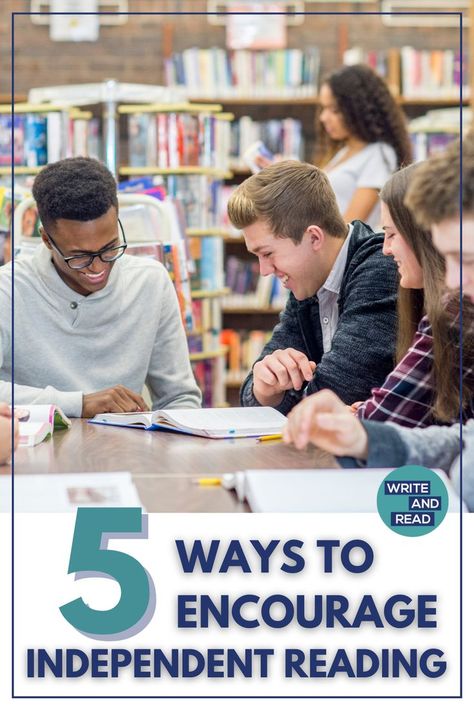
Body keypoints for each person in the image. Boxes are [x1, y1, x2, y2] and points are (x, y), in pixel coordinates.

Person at [283, 135, 474, 510]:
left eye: (466, 259)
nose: (453, 280)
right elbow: (464, 441)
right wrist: (367, 439)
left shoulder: (451, 312)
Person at [0, 157, 202, 418]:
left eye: (110, 248)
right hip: (34, 453)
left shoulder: (151, 282)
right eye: (79, 256)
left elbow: (180, 397)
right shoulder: (8, 289)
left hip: (125, 453)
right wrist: (79, 404)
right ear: (47, 240)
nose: (97, 268)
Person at [227, 159, 399, 416]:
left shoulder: (380, 269)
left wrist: (287, 395)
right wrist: (265, 388)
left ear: (314, 238)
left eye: (268, 253)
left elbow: (338, 392)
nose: (263, 270)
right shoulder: (307, 283)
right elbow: (252, 394)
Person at [354, 163, 473, 427]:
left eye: (391, 234)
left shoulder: (457, 311)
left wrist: (356, 416)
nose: (385, 249)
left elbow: (378, 420)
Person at [318, 64, 412, 227]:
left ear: (357, 110)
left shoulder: (379, 155)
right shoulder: (344, 151)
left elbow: (351, 225)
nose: (323, 117)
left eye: (334, 110)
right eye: (323, 108)